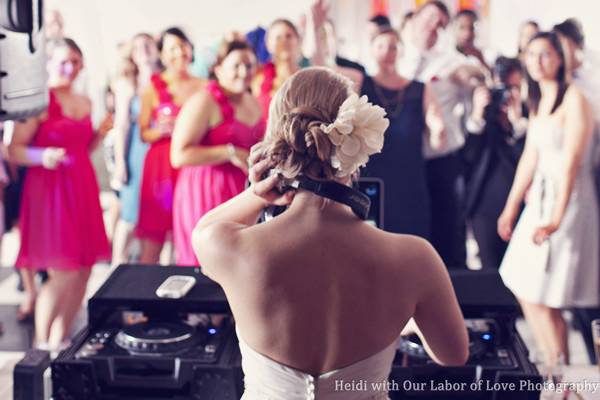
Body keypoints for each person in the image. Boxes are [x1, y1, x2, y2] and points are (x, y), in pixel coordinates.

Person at [192, 67, 468, 399]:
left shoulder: (231, 247)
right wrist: (403, 320)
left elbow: (204, 230)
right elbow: (453, 355)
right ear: (361, 141)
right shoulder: (416, 257)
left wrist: (255, 193)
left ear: (278, 141)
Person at [498, 32, 598, 367]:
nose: (538, 62)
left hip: (569, 203)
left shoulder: (577, 98)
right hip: (539, 200)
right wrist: (511, 206)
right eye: (531, 54)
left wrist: (556, 218)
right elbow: (530, 154)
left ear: (560, 58)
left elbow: (571, 163)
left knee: (547, 294)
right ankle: (554, 368)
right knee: (521, 282)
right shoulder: (538, 97)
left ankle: (561, 375)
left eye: (545, 54)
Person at [9, 38, 110, 349]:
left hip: (81, 184)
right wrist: (43, 156)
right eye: (64, 61)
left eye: (76, 62)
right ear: (49, 62)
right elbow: (13, 150)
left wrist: (99, 134)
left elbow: (83, 147)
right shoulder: (37, 101)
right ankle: (42, 346)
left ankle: (60, 339)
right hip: (49, 190)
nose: (70, 68)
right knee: (63, 269)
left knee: (85, 267)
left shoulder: (85, 102)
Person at [336, 25, 445, 238]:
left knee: (412, 241)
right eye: (381, 46)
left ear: (401, 51)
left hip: (410, 180)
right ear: (371, 50)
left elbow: (434, 119)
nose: (387, 52)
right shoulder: (360, 82)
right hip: (372, 177)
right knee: (371, 241)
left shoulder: (420, 88)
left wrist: (438, 129)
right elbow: (322, 65)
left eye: (393, 47)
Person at [399, 0, 485, 268]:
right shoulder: (394, 57)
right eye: (429, 21)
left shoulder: (451, 62)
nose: (432, 29)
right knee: (408, 230)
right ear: (414, 20)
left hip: (442, 161)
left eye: (440, 25)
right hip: (403, 162)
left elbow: (476, 78)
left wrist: (475, 80)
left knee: (448, 230)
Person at [171, 39, 264, 266]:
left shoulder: (254, 101)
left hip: (242, 191)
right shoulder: (203, 102)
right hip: (207, 191)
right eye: (237, 66)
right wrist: (228, 152)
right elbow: (178, 155)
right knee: (210, 264)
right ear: (219, 70)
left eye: (249, 65)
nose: (244, 72)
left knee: (243, 263)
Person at [136, 27, 203, 264]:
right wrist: (163, 129)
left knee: (189, 230)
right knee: (156, 234)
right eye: (172, 48)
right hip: (161, 164)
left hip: (193, 161)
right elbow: (144, 132)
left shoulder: (204, 85)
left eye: (183, 46)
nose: (179, 52)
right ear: (163, 55)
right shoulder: (153, 88)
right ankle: (144, 297)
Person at [463, 57, 527, 269]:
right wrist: (477, 117)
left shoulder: (530, 116)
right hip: (484, 208)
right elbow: (467, 160)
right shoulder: (483, 115)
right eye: (503, 88)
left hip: (522, 207)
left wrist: (517, 124)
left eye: (514, 88)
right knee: (489, 273)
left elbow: (529, 162)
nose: (507, 95)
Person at [111, 33, 161, 267]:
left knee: (161, 217)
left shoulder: (166, 80)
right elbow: (120, 126)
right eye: (138, 46)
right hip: (136, 153)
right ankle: (116, 265)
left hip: (161, 153)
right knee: (130, 215)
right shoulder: (127, 83)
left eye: (148, 45)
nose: (144, 50)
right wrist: (120, 162)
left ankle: (153, 269)